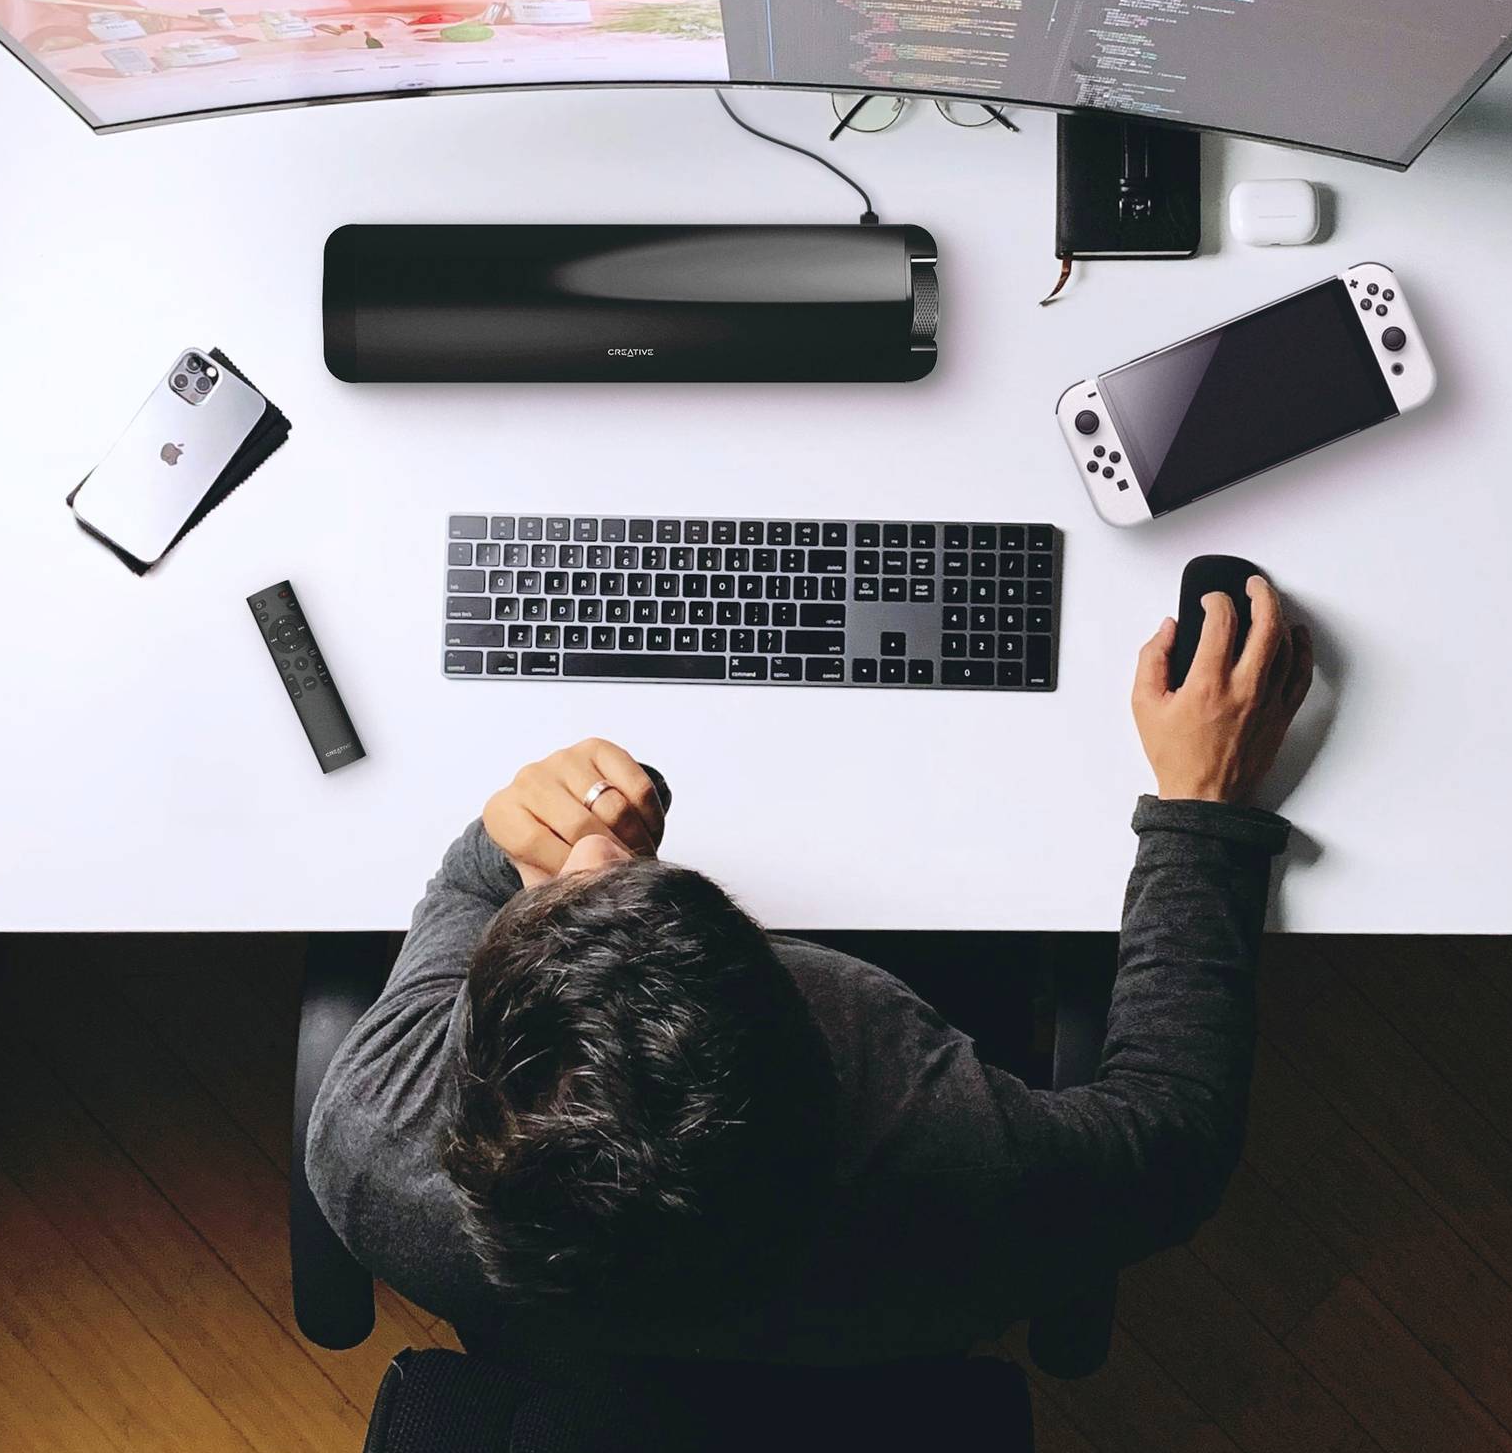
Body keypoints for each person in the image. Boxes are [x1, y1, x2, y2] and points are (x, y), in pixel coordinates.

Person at [306, 578, 1312, 1365]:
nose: (593, 852)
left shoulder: (369, 1141)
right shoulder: (957, 1165)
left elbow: (467, 881)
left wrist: (507, 844)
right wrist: (1202, 803)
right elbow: (1176, 1129)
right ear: (816, 1020)